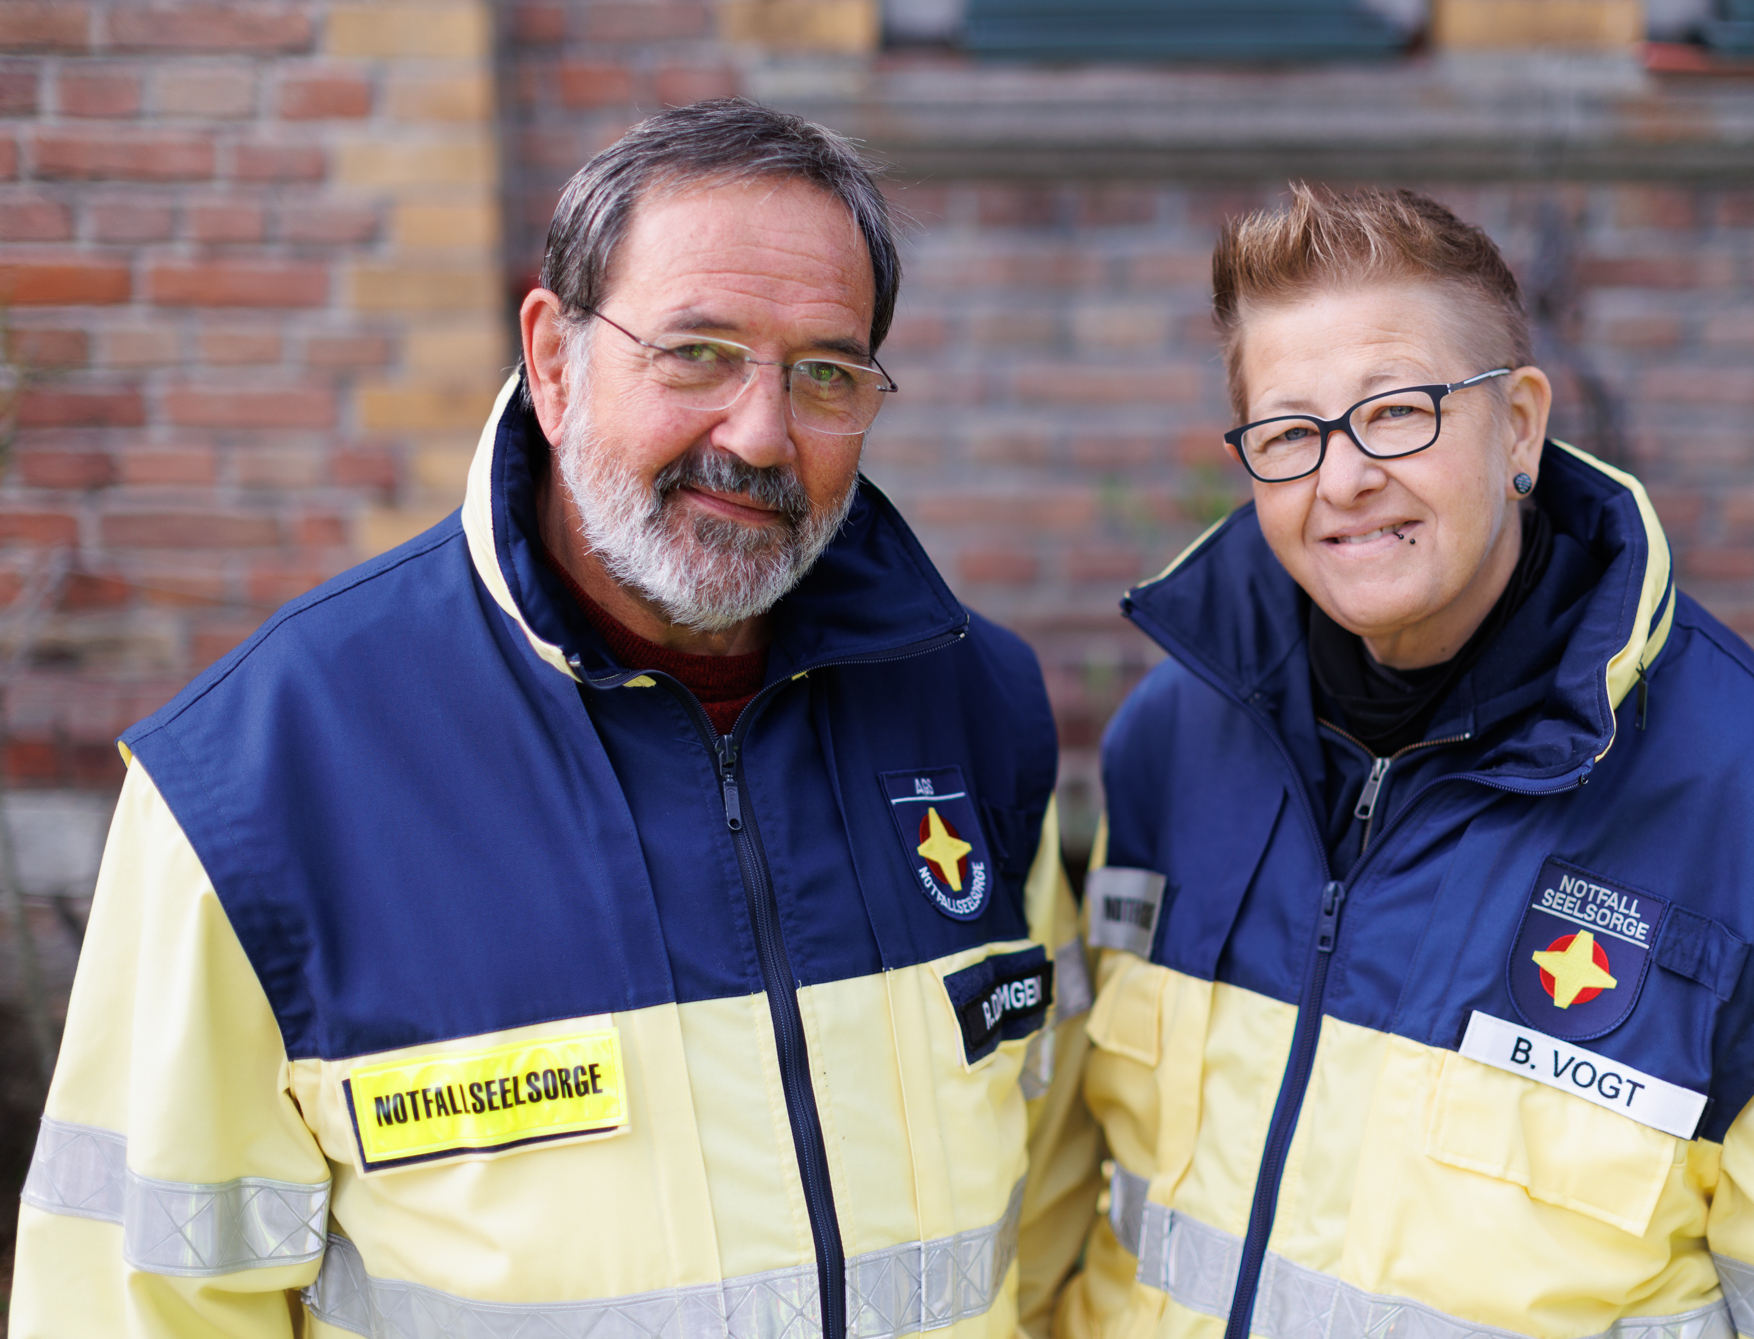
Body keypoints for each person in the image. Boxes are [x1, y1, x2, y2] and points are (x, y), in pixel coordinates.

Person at [14, 100, 1098, 1338]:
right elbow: (134, 1299)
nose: (758, 431)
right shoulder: (263, 780)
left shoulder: (974, 709)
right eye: (695, 351)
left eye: (824, 373)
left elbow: (1046, 1206)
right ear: (551, 357)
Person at [1059, 185, 1754, 1339]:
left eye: (1397, 412)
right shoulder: (1172, 744)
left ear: (1518, 424)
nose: (1343, 477)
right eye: (1291, 432)